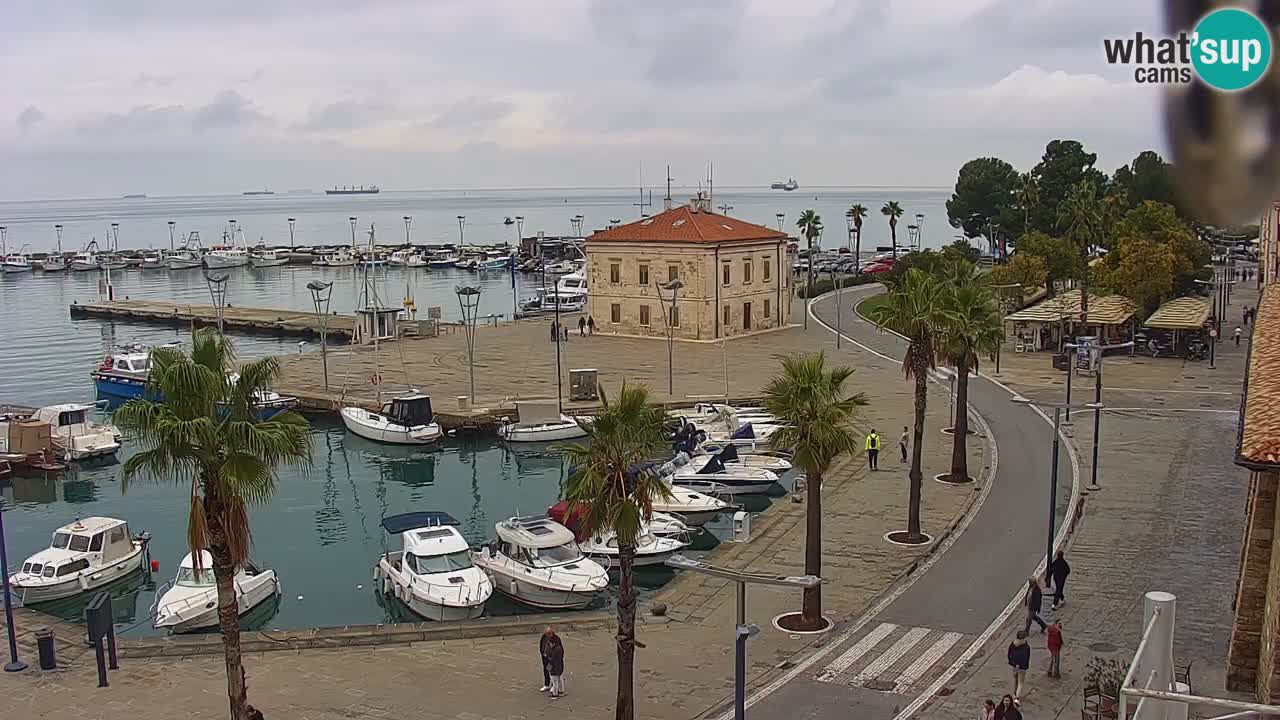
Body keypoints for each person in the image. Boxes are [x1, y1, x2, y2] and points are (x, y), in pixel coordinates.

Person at [1007, 632, 1031, 701]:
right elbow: (1026, 657)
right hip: (1022, 667)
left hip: (1014, 666)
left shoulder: (1013, 644)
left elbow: (1009, 654)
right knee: (1020, 683)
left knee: (1015, 680)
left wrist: (1013, 663)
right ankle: (1017, 698)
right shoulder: (1026, 646)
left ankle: (1014, 693)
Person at [546, 630, 566, 698]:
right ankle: (561, 690)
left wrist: (549, 668)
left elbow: (552, 660)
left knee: (554, 681)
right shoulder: (559, 648)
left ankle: (555, 693)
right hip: (559, 667)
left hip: (554, 667)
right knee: (559, 678)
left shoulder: (555, 650)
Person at [539, 626, 556, 691]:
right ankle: (547, 685)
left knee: (551, 671)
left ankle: (553, 685)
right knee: (546, 671)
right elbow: (541, 645)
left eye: (549, 633)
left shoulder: (555, 638)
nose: (547, 635)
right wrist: (542, 653)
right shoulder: (544, 636)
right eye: (547, 633)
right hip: (545, 658)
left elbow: (556, 649)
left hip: (551, 659)